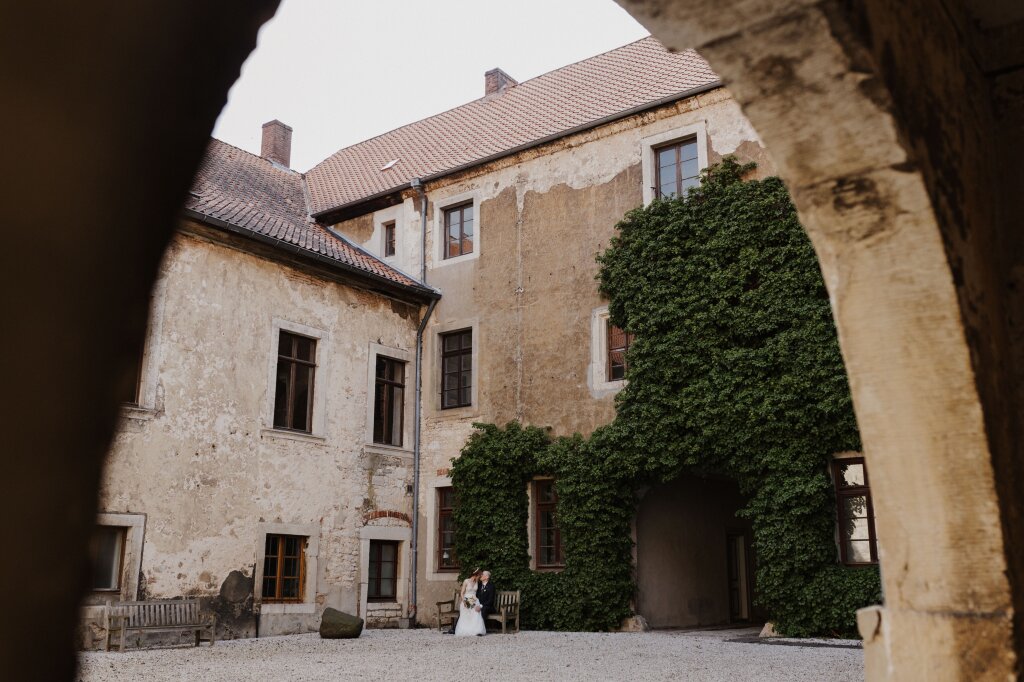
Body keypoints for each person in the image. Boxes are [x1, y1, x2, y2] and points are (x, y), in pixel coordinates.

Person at [453, 568, 487, 636]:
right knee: (468, 613)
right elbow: (462, 593)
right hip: (467, 599)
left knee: (476, 613)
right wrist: (464, 601)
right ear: (475, 575)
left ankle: (476, 630)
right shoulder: (466, 581)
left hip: (475, 600)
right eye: (478, 576)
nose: (479, 577)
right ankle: (466, 630)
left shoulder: (477, 582)